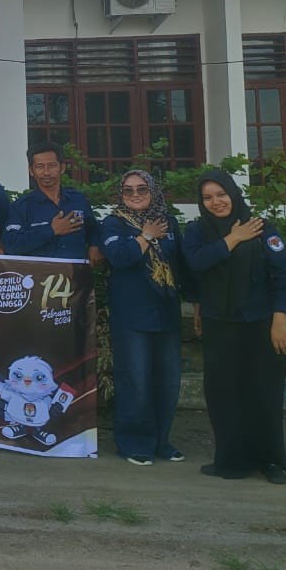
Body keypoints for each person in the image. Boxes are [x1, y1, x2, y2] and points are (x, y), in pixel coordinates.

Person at [182, 170, 286, 483]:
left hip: (262, 322)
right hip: (219, 323)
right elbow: (196, 262)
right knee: (224, 393)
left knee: (264, 391)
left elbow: (283, 273)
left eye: (221, 194)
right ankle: (231, 461)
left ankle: (271, 461)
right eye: (207, 197)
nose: (216, 202)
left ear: (233, 193)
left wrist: (280, 318)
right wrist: (233, 238)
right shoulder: (197, 231)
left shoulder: (262, 228)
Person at [100, 170, 184, 466]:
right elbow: (119, 257)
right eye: (128, 190)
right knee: (136, 381)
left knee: (167, 382)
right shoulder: (113, 223)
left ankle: (162, 441)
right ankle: (134, 443)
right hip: (132, 315)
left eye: (141, 189)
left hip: (166, 313)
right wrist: (146, 236)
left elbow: (181, 264)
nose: (135, 195)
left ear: (153, 191)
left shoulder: (169, 222)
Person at [2, 142, 101, 264]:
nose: (46, 172)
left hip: (77, 273)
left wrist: (94, 245)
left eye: (52, 165)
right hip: (39, 274)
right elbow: (11, 244)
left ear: (62, 168)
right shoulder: (21, 206)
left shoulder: (79, 200)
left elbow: (93, 228)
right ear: (31, 171)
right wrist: (51, 230)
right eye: (40, 166)